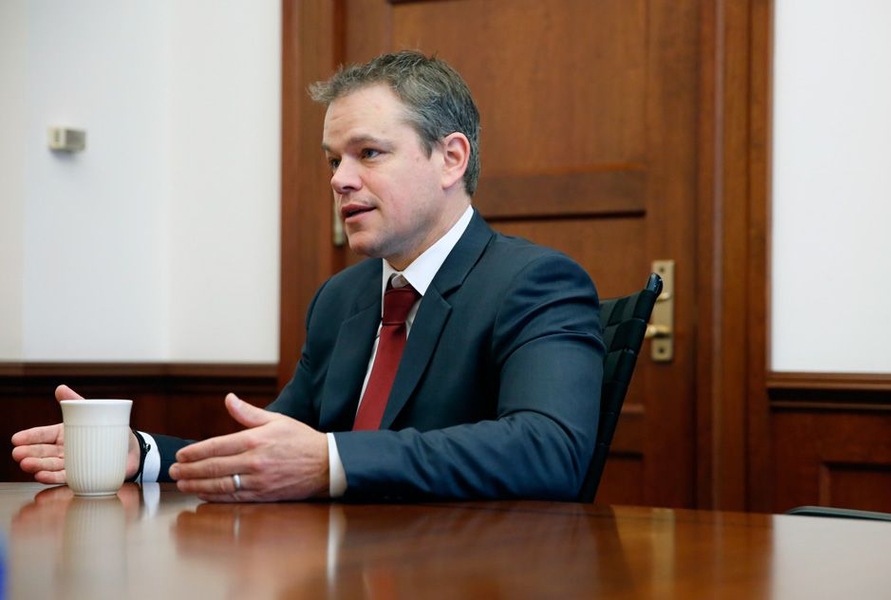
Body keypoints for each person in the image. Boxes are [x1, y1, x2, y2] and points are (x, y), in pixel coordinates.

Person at [12, 50, 604, 503]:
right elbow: (273, 449)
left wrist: (332, 460)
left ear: (451, 159)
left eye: (368, 153)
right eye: (332, 160)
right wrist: (137, 454)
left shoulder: (535, 282)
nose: (340, 179)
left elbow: (549, 450)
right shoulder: (342, 298)